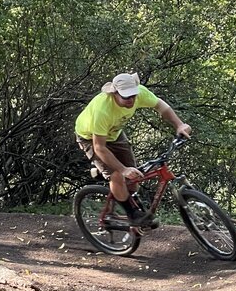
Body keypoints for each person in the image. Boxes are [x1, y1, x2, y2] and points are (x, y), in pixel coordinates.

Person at [75, 72, 191, 225]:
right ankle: (132, 214)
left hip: (114, 135)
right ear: (114, 93)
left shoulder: (139, 92)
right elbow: (100, 148)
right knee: (117, 175)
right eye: (126, 97)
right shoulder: (102, 110)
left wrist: (179, 124)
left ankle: (119, 189)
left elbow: (161, 106)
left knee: (134, 176)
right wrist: (122, 170)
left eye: (133, 96)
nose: (131, 100)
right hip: (90, 137)